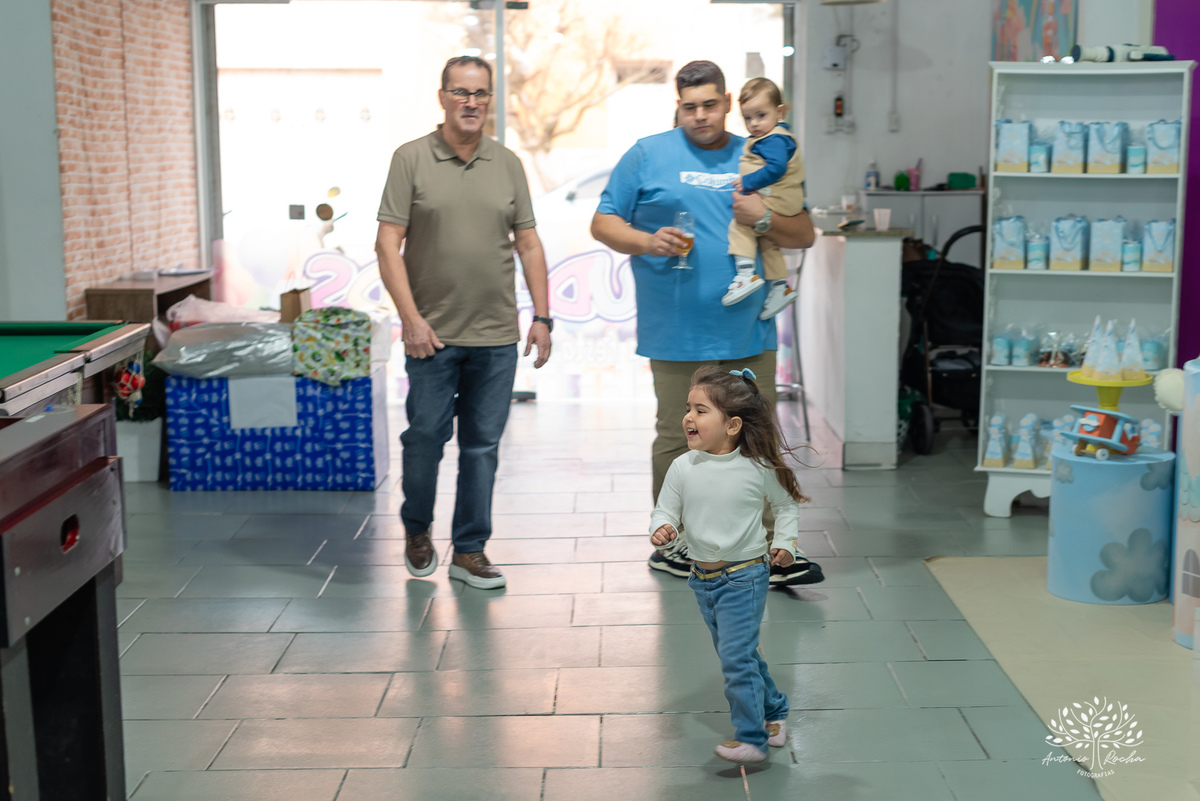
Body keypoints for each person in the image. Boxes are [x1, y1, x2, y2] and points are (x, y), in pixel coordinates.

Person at [590, 59, 822, 588]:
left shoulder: (759, 151)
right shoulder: (648, 154)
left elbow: (803, 231)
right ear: (678, 104)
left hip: (748, 328)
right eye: (690, 106)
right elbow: (602, 222)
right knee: (680, 437)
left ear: (727, 104)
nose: (701, 116)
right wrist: (648, 241)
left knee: (757, 441)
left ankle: (770, 550)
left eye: (711, 104)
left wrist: (761, 219)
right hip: (675, 329)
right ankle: (673, 544)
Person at [375, 56, 553, 590]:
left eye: (481, 93)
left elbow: (528, 241)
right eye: (461, 92)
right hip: (430, 337)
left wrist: (542, 316)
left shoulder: (508, 164)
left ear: (490, 99)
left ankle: (470, 550)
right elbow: (387, 244)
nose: (471, 102)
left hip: (496, 337)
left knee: (482, 447)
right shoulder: (410, 159)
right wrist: (410, 320)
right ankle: (417, 531)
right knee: (425, 439)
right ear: (443, 97)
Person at [650, 366, 805, 763]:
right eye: (689, 409)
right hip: (702, 580)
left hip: (745, 577)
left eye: (701, 411)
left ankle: (751, 738)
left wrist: (785, 543)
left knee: (735, 658)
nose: (688, 417)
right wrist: (663, 526)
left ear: (733, 424)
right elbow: (665, 508)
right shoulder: (684, 467)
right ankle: (775, 711)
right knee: (741, 654)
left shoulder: (756, 468)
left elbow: (786, 505)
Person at [724, 77, 805, 320]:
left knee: (741, 226)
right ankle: (781, 287)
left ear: (779, 112)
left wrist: (748, 182)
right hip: (783, 199)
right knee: (768, 242)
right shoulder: (774, 137)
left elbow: (777, 169)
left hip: (777, 197)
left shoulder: (774, 140)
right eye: (748, 118)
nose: (754, 124)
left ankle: (746, 274)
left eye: (761, 115)